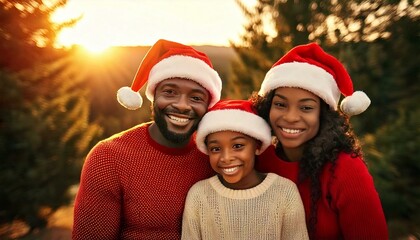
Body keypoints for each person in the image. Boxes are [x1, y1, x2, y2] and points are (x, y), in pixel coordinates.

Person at [72, 39, 223, 239]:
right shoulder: (108, 158)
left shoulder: (218, 157)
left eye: (196, 98)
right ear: (154, 96)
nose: (182, 105)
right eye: (170, 92)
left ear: (208, 106)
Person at [250, 43, 388, 239]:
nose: (290, 117)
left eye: (306, 108)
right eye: (280, 104)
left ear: (323, 115)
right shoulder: (258, 159)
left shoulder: (344, 169)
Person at [182, 99, 309, 239]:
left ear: (257, 146)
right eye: (216, 149)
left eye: (237, 146)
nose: (226, 158)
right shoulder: (199, 195)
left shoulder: (285, 192)